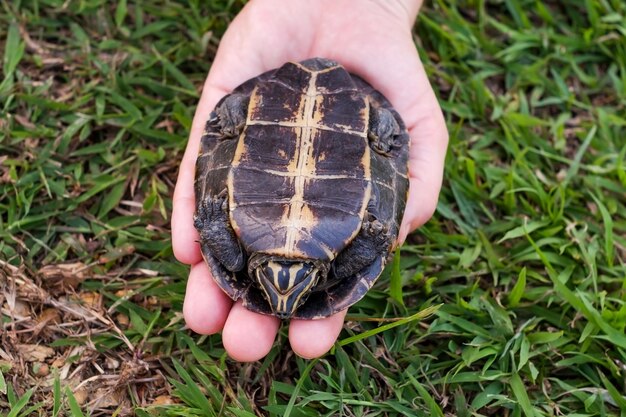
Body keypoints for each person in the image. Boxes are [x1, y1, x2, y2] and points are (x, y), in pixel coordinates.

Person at [171, 0, 448, 362]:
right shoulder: (287, 265)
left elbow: (217, 230)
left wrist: (213, 226)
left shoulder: (239, 262)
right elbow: (371, 242)